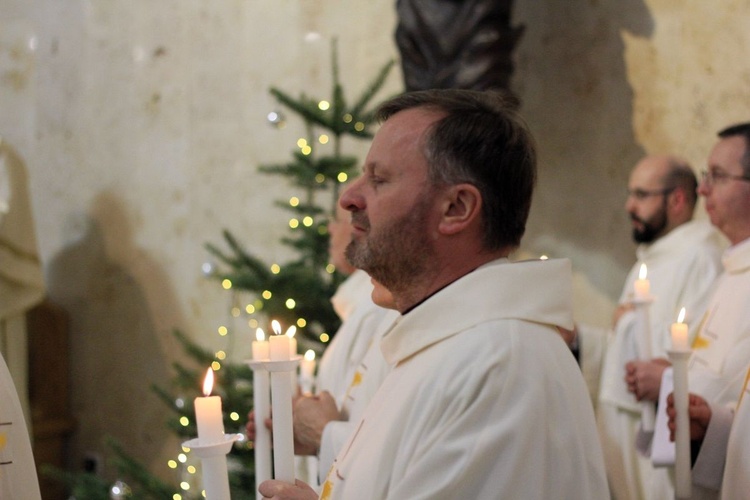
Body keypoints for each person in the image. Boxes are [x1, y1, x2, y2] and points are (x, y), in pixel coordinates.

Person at [259, 89, 608, 499]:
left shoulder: (497, 363)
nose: (350, 198)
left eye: (379, 179)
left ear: (456, 208)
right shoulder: (445, 346)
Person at [592, 155, 725, 500]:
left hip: (655, 425)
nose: (629, 205)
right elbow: (620, 344)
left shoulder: (701, 257)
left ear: (677, 199)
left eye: (641, 194)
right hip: (626, 417)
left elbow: (700, 344)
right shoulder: (653, 257)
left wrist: (630, 322)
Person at [660, 122, 750, 498]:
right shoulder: (732, 269)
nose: (702, 189)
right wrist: (709, 425)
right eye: (704, 175)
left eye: (718, 176)